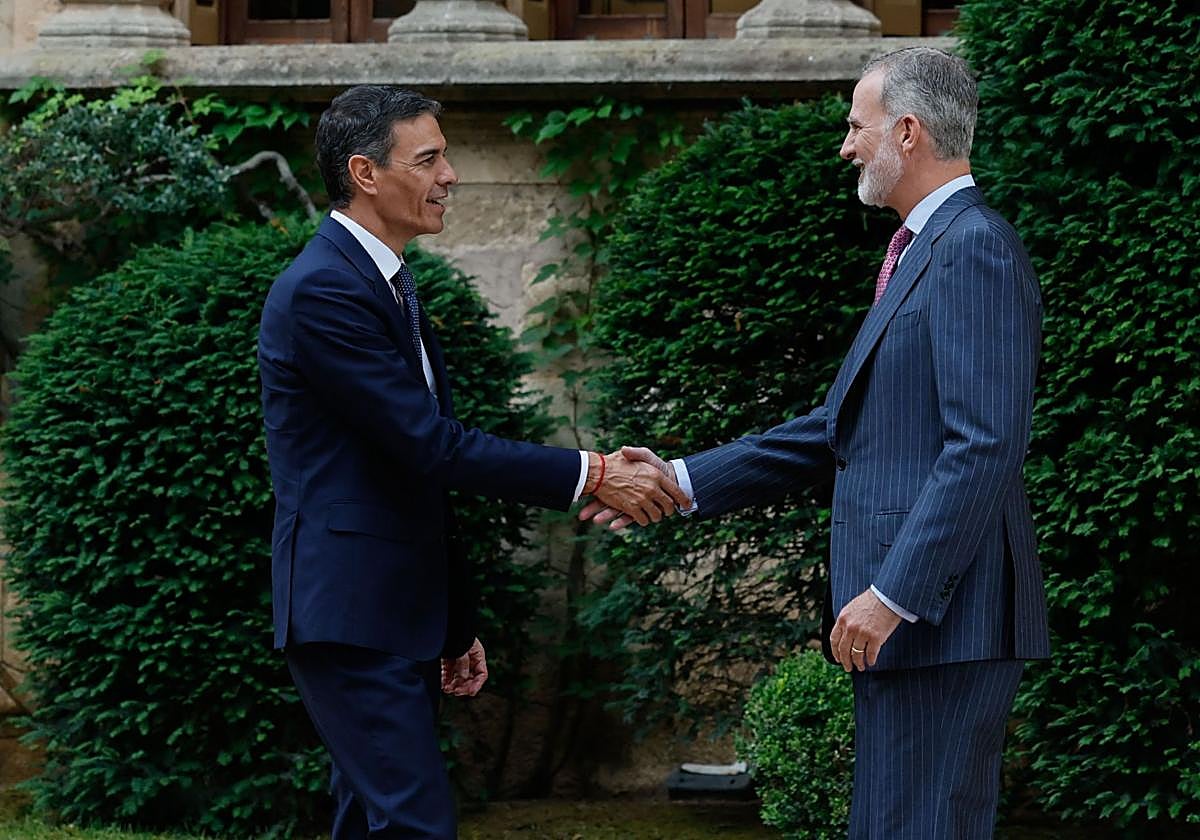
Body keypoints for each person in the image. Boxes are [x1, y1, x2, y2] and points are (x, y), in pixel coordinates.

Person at [584, 48, 1050, 838]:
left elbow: (984, 445)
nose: (845, 146)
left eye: (856, 127)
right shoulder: (922, 247)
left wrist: (894, 594)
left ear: (908, 132)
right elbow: (842, 426)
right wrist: (681, 479)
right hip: (921, 627)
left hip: (943, 622)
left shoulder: (972, 245)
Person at [257, 85, 689, 839]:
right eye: (428, 159)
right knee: (416, 825)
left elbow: (411, 476)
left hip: (390, 612)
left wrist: (453, 624)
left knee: (373, 824)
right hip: (351, 616)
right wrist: (593, 473)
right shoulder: (324, 289)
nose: (450, 175)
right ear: (364, 173)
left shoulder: (385, 281)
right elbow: (433, 446)